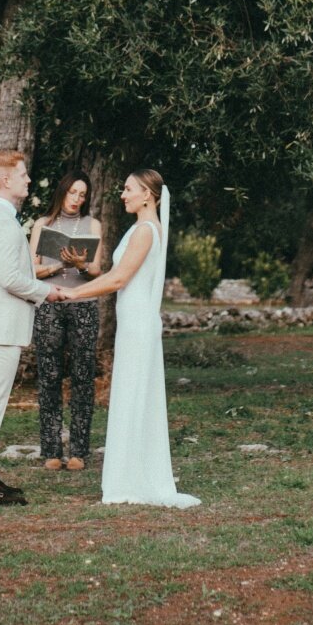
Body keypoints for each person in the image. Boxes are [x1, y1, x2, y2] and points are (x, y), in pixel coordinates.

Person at [60, 168, 199, 508]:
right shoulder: (141, 229)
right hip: (133, 323)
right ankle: (129, 476)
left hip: (138, 325)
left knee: (135, 395)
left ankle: (132, 480)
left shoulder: (145, 232)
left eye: (128, 189)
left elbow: (118, 279)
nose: (122, 195)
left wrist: (72, 294)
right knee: (132, 395)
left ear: (147, 195)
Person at [0, 148, 65, 507]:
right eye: (22, 174)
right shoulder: (2, 222)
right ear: (5, 180)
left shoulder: (1, 217)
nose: (28, 179)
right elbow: (9, 279)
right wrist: (47, 292)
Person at [28, 173, 104, 471]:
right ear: (62, 192)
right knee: (49, 375)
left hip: (83, 304)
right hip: (49, 304)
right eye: (72, 192)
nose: (76, 199)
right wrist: (58, 265)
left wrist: (80, 264)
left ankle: (79, 451)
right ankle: (51, 450)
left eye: (82, 194)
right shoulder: (42, 224)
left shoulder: (92, 224)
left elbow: (97, 270)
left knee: (83, 376)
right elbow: (31, 271)